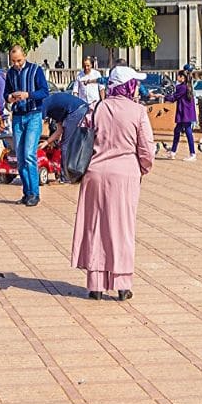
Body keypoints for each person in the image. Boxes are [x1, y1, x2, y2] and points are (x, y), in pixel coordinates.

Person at [70, 65, 155, 301]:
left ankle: (95, 284)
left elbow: (82, 135)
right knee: (121, 230)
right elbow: (147, 150)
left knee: (95, 228)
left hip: (94, 173)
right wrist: (143, 169)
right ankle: (122, 283)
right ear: (128, 86)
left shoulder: (97, 108)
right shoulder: (138, 111)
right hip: (124, 175)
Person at [5, 45, 50, 207]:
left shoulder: (35, 70)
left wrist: (28, 95)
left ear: (25, 56)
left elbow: (45, 91)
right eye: (13, 61)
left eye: (19, 60)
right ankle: (27, 192)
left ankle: (34, 193)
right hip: (17, 116)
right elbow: (6, 93)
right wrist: (10, 98)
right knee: (20, 157)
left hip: (33, 115)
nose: (16, 64)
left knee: (30, 154)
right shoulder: (10, 73)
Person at [41, 90, 87, 182]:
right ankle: (72, 173)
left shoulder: (43, 105)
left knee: (65, 145)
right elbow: (59, 131)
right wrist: (46, 142)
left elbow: (38, 126)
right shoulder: (54, 109)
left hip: (76, 110)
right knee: (70, 143)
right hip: (81, 107)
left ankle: (65, 177)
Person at [165, 69, 197, 161]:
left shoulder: (182, 87)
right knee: (177, 130)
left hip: (184, 112)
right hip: (186, 112)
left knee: (188, 131)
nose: (177, 77)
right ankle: (173, 152)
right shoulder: (187, 86)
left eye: (178, 76)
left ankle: (192, 153)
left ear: (183, 78)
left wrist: (163, 96)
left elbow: (173, 97)